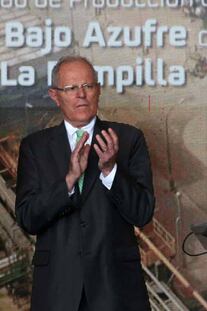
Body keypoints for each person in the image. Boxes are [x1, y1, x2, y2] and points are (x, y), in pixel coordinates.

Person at [15, 56, 155, 311]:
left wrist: (111, 170)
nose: (81, 95)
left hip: (116, 290)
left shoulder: (128, 139)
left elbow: (143, 212)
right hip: (57, 291)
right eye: (71, 89)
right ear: (55, 96)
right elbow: (27, 218)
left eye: (88, 86)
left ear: (98, 90)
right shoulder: (34, 147)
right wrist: (68, 181)